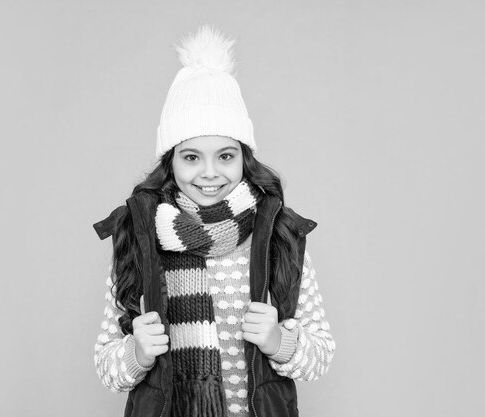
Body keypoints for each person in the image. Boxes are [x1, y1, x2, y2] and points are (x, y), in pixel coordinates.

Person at [92, 25, 335, 417]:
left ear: (244, 158)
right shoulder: (140, 237)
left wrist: (279, 342)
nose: (209, 173)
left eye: (225, 156)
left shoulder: (277, 235)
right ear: (170, 161)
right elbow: (108, 367)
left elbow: (320, 354)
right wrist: (137, 353)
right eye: (191, 157)